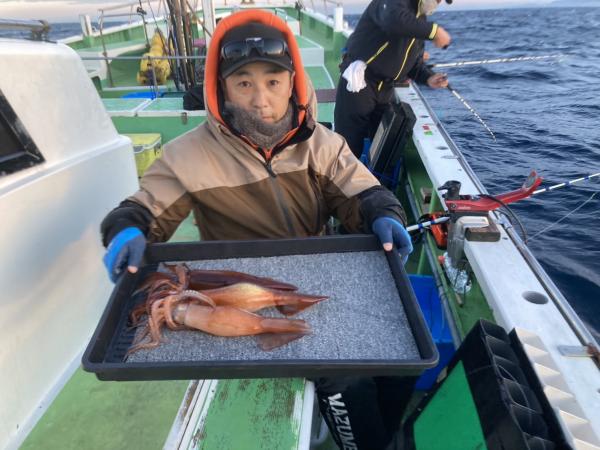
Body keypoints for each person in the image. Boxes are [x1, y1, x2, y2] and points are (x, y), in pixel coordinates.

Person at [101, 9, 413, 450]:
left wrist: (384, 212)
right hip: (230, 284)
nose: (260, 100)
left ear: (293, 83)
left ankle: (392, 432)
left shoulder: (322, 145)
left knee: (399, 358)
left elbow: (361, 191)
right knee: (346, 377)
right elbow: (144, 207)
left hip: (316, 269)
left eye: (273, 81)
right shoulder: (187, 156)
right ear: (222, 90)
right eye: (243, 83)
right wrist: (127, 229)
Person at [335, 0, 452, 158]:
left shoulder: (419, 20)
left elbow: (414, 64)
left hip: (386, 89)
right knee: (348, 143)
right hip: (361, 81)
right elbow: (393, 20)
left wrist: (428, 77)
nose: (438, 2)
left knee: (381, 146)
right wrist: (434, 32)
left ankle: (369, 173)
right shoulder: (394, 4)